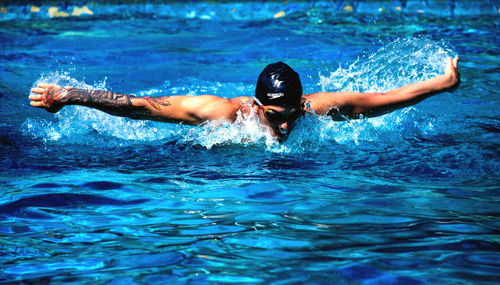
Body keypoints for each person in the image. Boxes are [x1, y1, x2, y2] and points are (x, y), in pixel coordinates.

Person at [29, 58, 460, 141]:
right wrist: (71, 96)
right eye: (276, 116)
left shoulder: (317, 110)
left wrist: (442, 84)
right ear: (256, 106)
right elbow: (143, 105)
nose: (288, 125)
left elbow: (384, 99)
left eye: (292, 113)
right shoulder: (226, 115)